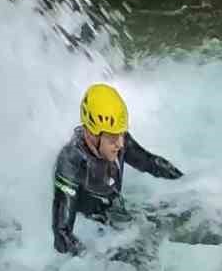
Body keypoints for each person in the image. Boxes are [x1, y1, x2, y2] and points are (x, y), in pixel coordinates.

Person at [51, 83, 183, 256]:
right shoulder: (71, 161)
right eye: (113, 137)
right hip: (92, 230)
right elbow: (62, 236)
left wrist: (186, 182)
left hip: (114, 215)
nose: (120, 144)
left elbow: (151, 163)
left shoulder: (118, 142)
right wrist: (97, 261)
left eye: (121, 134)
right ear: (91, 134)